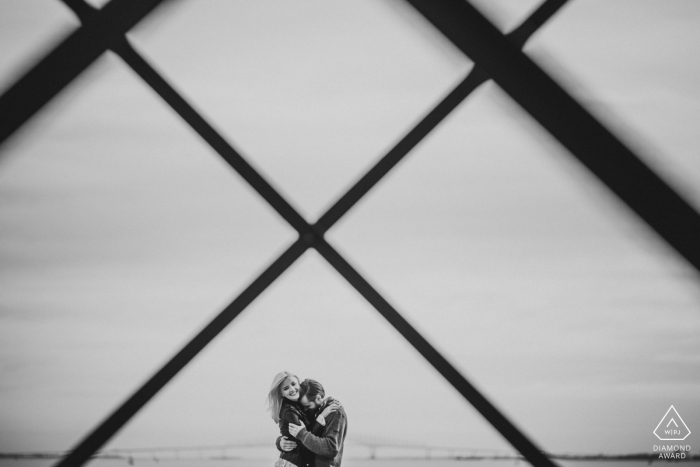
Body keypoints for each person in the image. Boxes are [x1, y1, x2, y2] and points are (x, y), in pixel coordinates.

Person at [267, 372, 340, 467]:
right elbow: (303, 439)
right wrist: (321, 417)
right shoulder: (289, 411)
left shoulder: (299, 403)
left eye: (293, 384)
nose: (292, 389)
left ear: (298, 382)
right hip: (293, 463)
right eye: (286, 388)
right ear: (281, 393)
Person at [279, 379, 348, 467]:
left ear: (318, 398)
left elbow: (331, 448)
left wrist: (302, 434)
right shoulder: (314, 411)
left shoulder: (335, 412)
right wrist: (280, 442)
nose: (305, 410)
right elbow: (306, 433)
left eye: (307, 406)